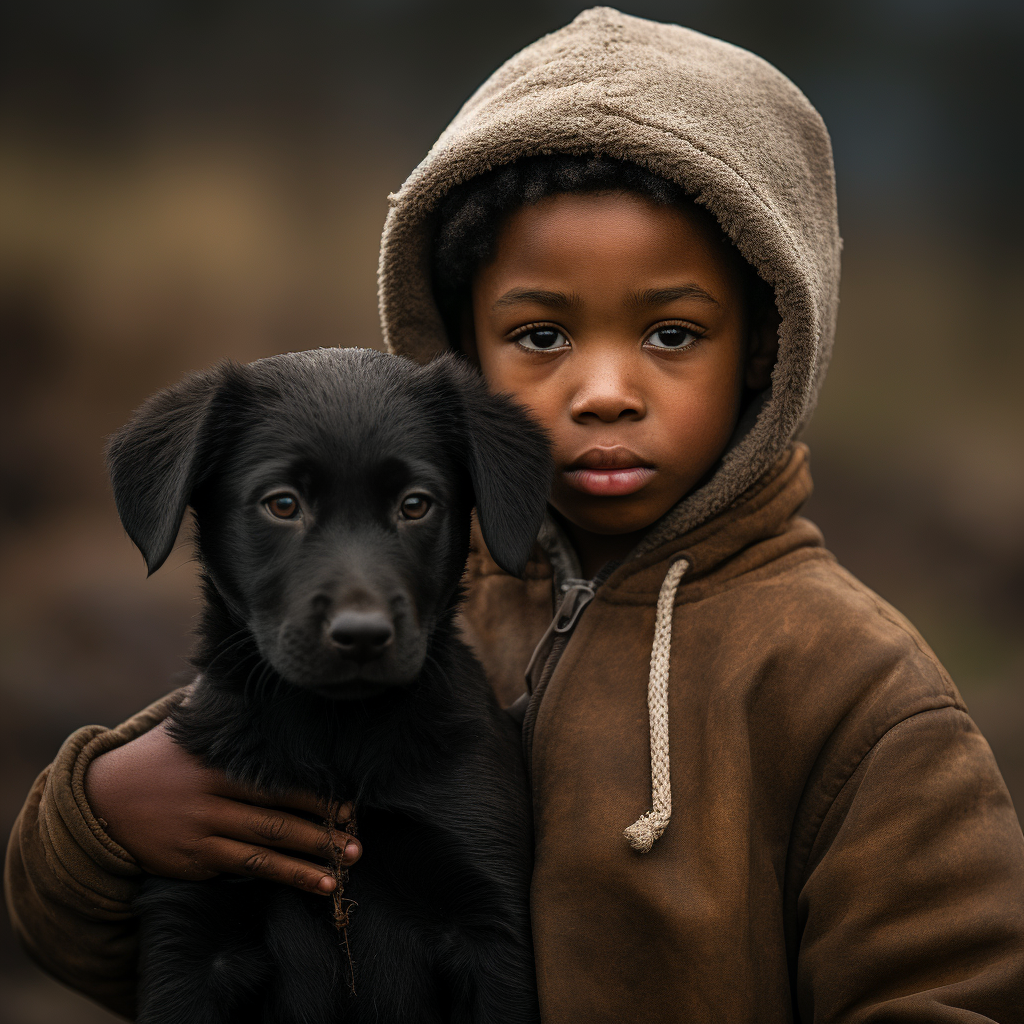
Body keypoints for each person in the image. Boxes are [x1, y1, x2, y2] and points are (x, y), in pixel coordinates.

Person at [6, 8, 1024, 1022]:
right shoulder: (441, 600)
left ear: (765, 348)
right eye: (541, 335)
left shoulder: (847, 680)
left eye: (671, 333)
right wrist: (96, 823)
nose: (604, 391)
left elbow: (956, 990)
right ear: (463, 350)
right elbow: (102, 943)